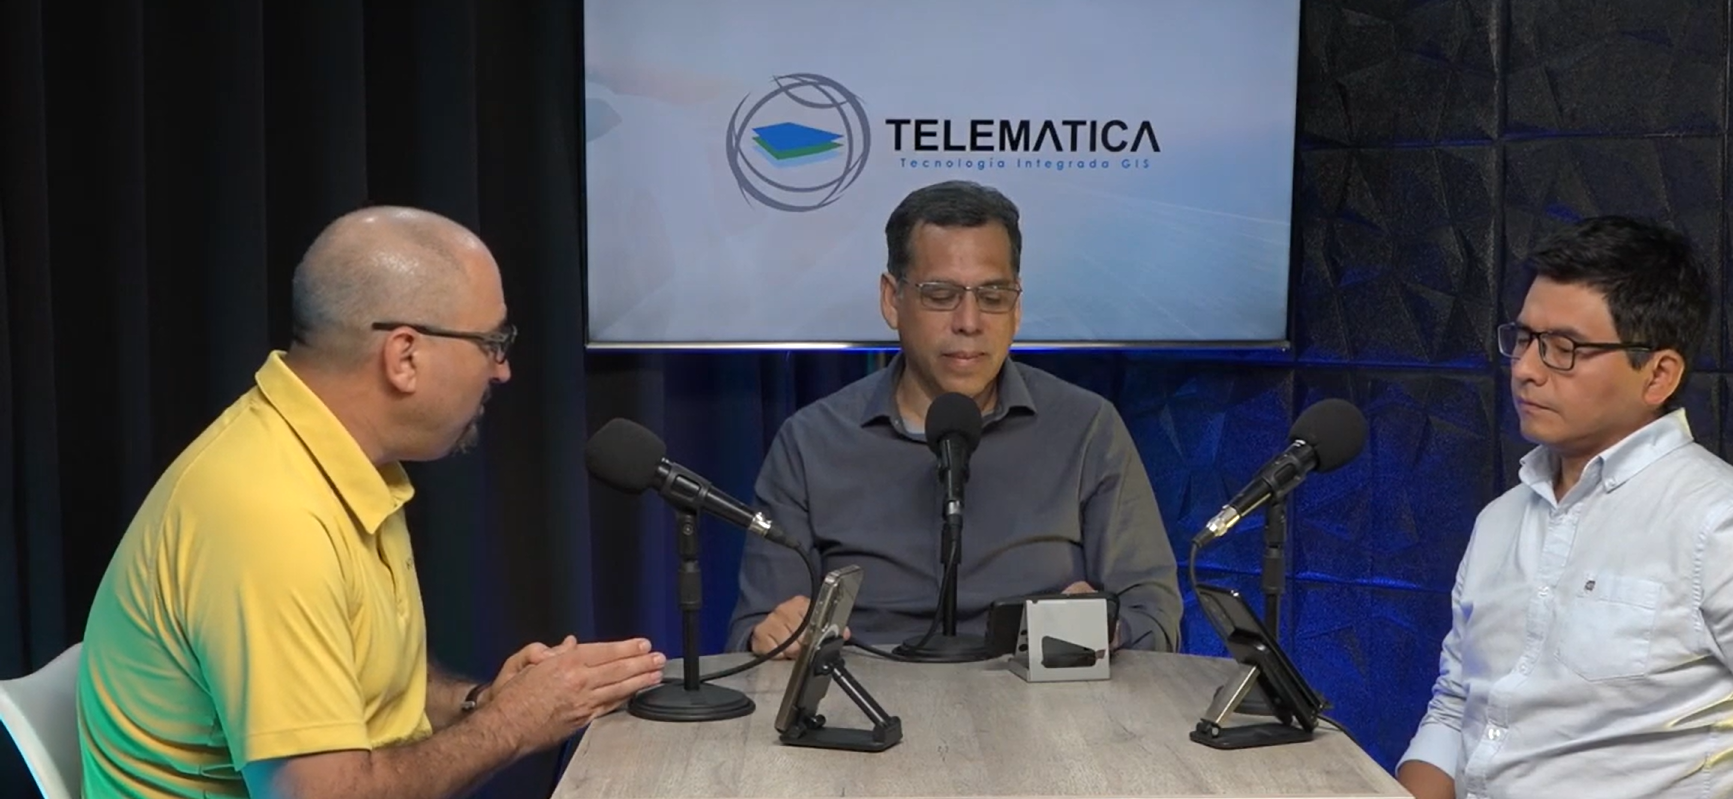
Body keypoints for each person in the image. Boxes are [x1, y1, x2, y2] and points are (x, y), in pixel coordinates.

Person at [77, 206, 667, 799]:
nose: (503, 370)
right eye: (493, 342)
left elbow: (368, 695)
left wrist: (482, 703)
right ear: (404, 356)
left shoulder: (338, 457)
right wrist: (511, 723)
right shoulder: (270, 515)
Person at [1398, 216, 1733, 799]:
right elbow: (1459, 706)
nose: (1527, 369)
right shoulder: (1500, 520)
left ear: (1658, 374)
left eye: (1564, 348)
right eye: (1524, 339)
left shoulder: (1726, 525)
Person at [726, 180, 1182, 656]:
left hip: (1044, 711)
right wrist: (773, 636)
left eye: (993, 295)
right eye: (940, 294)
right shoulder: (811, 443)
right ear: (891, 300)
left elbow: (1154, 616)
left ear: (1017, 306)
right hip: (862, 712)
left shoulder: (1086, 428)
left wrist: (1106, 627)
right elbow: (756, 629)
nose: (969, 321)